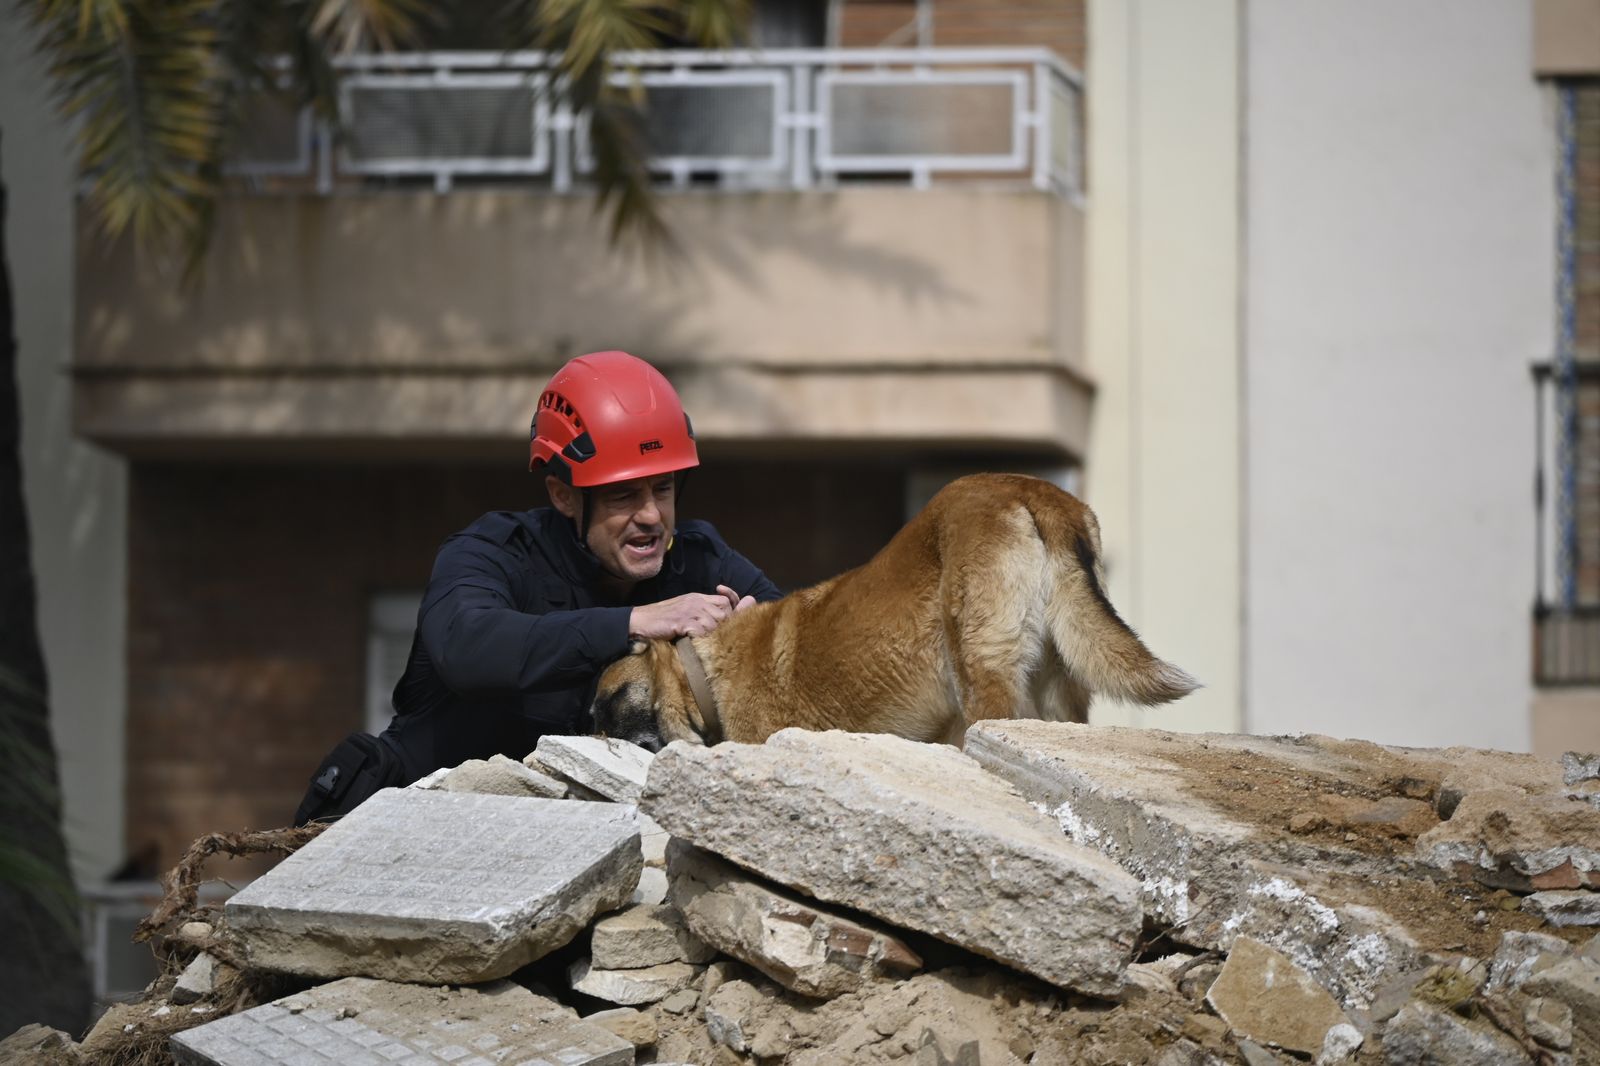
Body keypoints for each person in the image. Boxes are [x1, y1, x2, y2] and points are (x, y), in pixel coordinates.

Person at [292, 350, 781, 824]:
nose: (651, 515)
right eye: (624, 494)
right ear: (563, 495)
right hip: (417, 829)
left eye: (664, 488)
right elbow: (467, 646)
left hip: (588, 848)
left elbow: (792, 637)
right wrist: (633, 623)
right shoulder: (492, 552)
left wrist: (752, 643)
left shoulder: (700, 560)